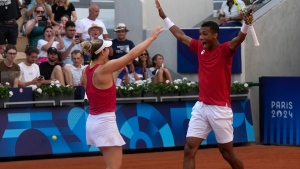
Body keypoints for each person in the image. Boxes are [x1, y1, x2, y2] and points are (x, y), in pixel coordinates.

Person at [156, 0, 253, 168]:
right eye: (200, 34)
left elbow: (239, 39)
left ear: (215, 35)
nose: (201, 37)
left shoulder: (224, 50)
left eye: (205, 34)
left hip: (220, 110)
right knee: (189, 149)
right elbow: (180, 35)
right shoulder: (199, 48)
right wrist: (164, 17)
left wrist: (246, 23)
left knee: (226, 153)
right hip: (202, 107)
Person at [80, 25, 162, 169]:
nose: (109, 51)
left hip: (93, 121)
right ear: (103, 53)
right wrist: (151, 38)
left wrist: (116, 71)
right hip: (105, 122)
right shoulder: (104, 69)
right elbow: (131, 55)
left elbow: (98, 86)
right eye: (107, 49)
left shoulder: (86, 71)